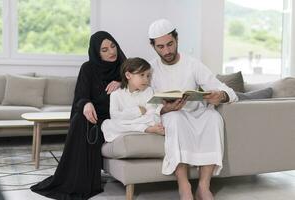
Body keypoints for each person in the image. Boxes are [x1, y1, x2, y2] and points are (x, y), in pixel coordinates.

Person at [148, 19, 238, 200]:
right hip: (172, 116)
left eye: (170, 44)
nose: (166, 51)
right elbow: (146, 104)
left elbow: (228, 91)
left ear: (177, 39)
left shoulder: (193, 64)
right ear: (153, 47)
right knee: (175, 118)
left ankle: (204, 187)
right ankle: (185, 187)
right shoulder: (150, 69)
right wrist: (165, 109)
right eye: (161, 47)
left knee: (214, 117)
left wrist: (221, 95)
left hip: (197, 114)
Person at [30, 31, 126, 200]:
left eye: (113, 46)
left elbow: (141, 79)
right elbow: (81, 95)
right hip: (93, 116)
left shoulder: (125, 68)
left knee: (84, 121)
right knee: (81, 119)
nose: (111, 52)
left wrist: (122, 82)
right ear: (96, 52)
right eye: (104, 49)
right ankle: (75, 179)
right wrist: (86, 104)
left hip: (113, 119)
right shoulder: (88, 68)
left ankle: (82, 180)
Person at [101, 57, 164, 142]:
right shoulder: (116, 94)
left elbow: (152, 112)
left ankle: (142, 128)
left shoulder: (149, 91)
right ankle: (146, 129)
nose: (146, 80)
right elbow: (115, 116)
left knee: (154, 117)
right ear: (128, 75)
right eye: (142, 75)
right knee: (106, 124)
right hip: (133, 123)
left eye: (148, 76)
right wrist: (138, 111)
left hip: (139, 122)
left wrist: (130, 118)